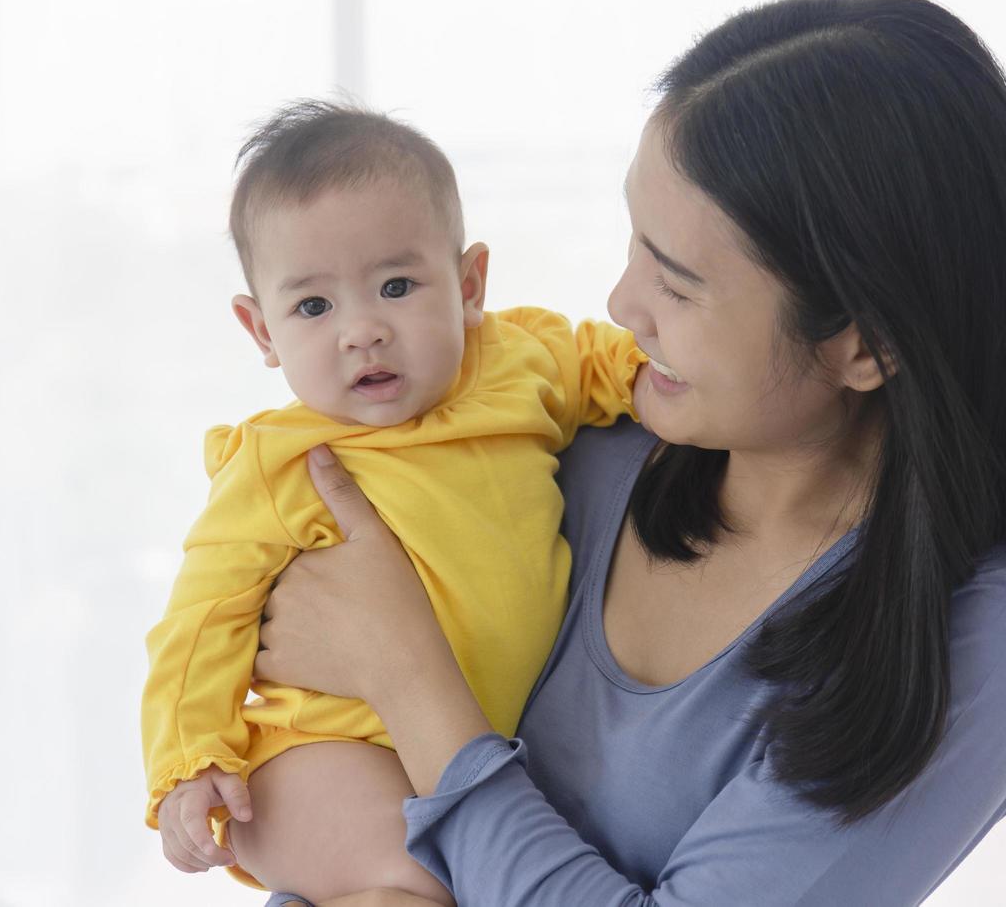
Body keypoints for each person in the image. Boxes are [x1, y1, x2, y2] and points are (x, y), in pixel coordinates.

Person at [253, 0, 1006, 907]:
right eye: (635, 242)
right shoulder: (577, 449)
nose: (624, 305)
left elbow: (380, 663)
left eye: (680, 282)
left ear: (865, 345)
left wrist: (406, 675)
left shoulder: (958, 636)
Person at [139, 101, 647, 903]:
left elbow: (618, 364)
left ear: (470, 283)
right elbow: (201, 622)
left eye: (398, 285)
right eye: (313, 307)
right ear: (261, 331)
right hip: (318, 756)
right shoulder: (281, 462)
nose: (362, 331)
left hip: (462, 748)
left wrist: (664, 379)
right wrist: (186, 762)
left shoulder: (522, 362)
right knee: (424, 880)